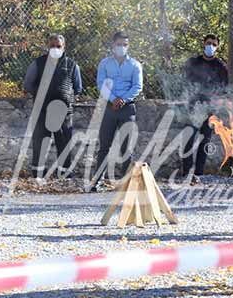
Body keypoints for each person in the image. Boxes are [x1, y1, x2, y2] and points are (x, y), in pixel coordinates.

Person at [23, 33, 83, 180]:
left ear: (64, 47)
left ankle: (64, 174)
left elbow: (78, 87)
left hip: (64, 112)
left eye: (58, 46)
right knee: (40, 142)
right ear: (47, 47)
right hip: (42, 110)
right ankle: (38, 175)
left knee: (64, 143)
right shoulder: (38, 63)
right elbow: (28, 84)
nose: (55, 48)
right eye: (52, 46)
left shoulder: (72, 65)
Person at [93, 32, 143, 190]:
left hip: (127, 108)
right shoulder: (105, 64)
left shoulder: (135, 65)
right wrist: (113, 99)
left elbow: (137, 87)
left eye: (125, 45)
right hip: (108, 108)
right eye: (119, 44)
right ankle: (97, 182)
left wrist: (122, 100)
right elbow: (101, 84)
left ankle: (127, 183)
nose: (122, 47)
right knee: (104, 146)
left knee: (126, 147)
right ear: (113, 45)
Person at [181, 34, 229, 184]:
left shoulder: (221, 67)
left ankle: (198, 174)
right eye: (208, 43)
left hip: (209, 110)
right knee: (188, 140)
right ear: (203, 44)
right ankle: (186, 173)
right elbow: (185, 82)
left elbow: (223, 89)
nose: (211, 46)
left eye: (214, 44)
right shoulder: (193, 62)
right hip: (193, 107)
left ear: (217, 47)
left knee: (205, 142)